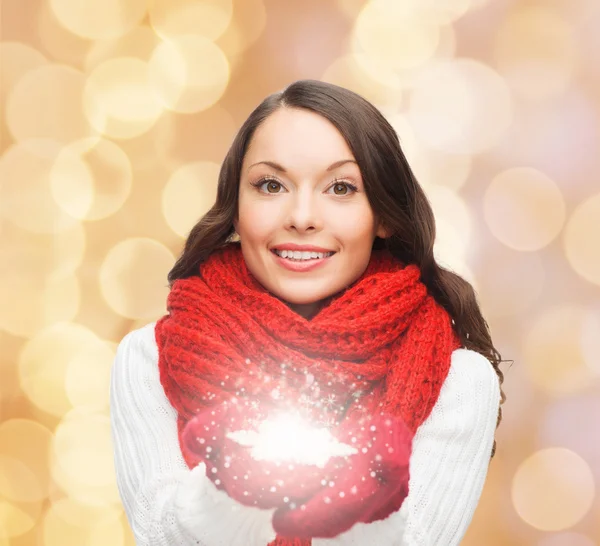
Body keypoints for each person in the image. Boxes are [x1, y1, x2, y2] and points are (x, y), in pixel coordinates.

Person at [110, 79, 506, 546]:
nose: (301, 216)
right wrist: (235, 483)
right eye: (270, 185)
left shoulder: (458, 381)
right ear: (236, 208)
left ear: (383, 216)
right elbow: (161, 536)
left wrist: (352, 496)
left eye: (340, 188)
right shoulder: (149, 359)